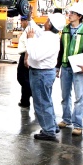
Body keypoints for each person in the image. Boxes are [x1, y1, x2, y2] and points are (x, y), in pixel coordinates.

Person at [56, 2, 83, 136]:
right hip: (66, 67)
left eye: (72, 13)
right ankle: (66, 119)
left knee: (79, 97)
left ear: (79, 16)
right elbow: (61, 49)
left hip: (79, 68)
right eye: (69, 13)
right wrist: (57, 66)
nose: (69, 15)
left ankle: (78, 125)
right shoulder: (65, 29)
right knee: (65, 96)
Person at [25, 13, 66, 142]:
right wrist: (30, 19)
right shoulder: (49, 36)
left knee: (41, 103)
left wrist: (30, 39)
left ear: (50, 25)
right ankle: (52, 126)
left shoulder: (49, 40)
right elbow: (37, 30)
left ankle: (48, 131)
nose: (45, 22)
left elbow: (35, 55)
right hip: (44, 73)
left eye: (48, 20)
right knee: (46, 101)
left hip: (41, 74)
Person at [16, 15, 31, 108]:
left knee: (21, 78)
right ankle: (24, 101)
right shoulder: (26, 30)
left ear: (26, 21)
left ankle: (33, 93)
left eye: (22, 21)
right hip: (25, 56)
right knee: (25, 79)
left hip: (25, 56)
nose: (21, 23)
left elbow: (28, 45)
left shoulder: (28, 31)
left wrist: (26, 58)